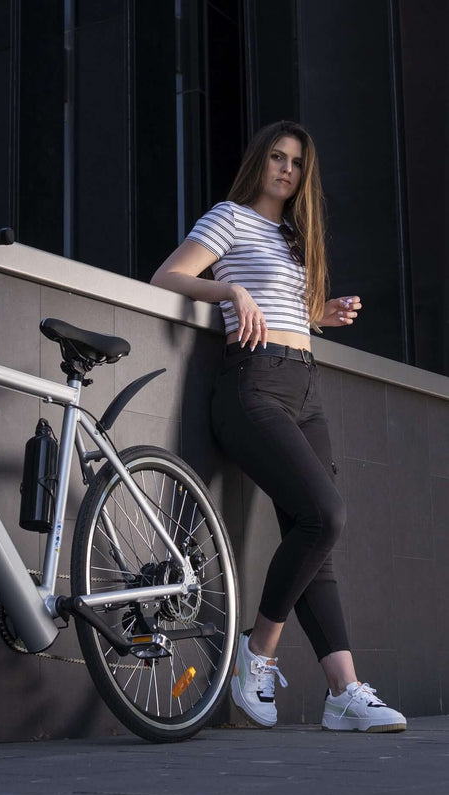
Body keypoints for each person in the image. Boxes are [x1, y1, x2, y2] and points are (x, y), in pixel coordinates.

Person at [150, 120, 406, 733]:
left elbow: (290, 310)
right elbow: (166, 278)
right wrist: (229, 291)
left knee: (317, 539)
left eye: (296, 162)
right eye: (276, 157)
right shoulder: (230, 216)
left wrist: (323, 312)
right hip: (252, 384)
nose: (286, 169)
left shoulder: (294, 237)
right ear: (259, 162)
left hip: (305, 387)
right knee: (327, 513)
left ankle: (344, 691)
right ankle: (257, 651)